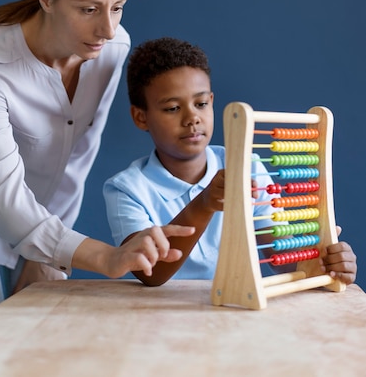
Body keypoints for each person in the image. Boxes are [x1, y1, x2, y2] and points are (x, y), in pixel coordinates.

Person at [0, 0, 193, 331]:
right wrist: (103, 256)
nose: (108, 29)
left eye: (118, 8)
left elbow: (77, 159)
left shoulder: (111, 49)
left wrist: (45, 255)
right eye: (89, 9)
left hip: (35, 228)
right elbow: (2, 192)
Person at [103, 36, 357, 286]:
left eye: (200, 103)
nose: (192, 118)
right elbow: (150, 273)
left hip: (234, 311)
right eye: (172, 108)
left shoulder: (248, 166)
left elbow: (279, 254)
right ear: (141, 117)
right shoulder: (126, 189)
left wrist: (321, 262)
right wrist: (203, 204)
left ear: (211, 102)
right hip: (159, 317)